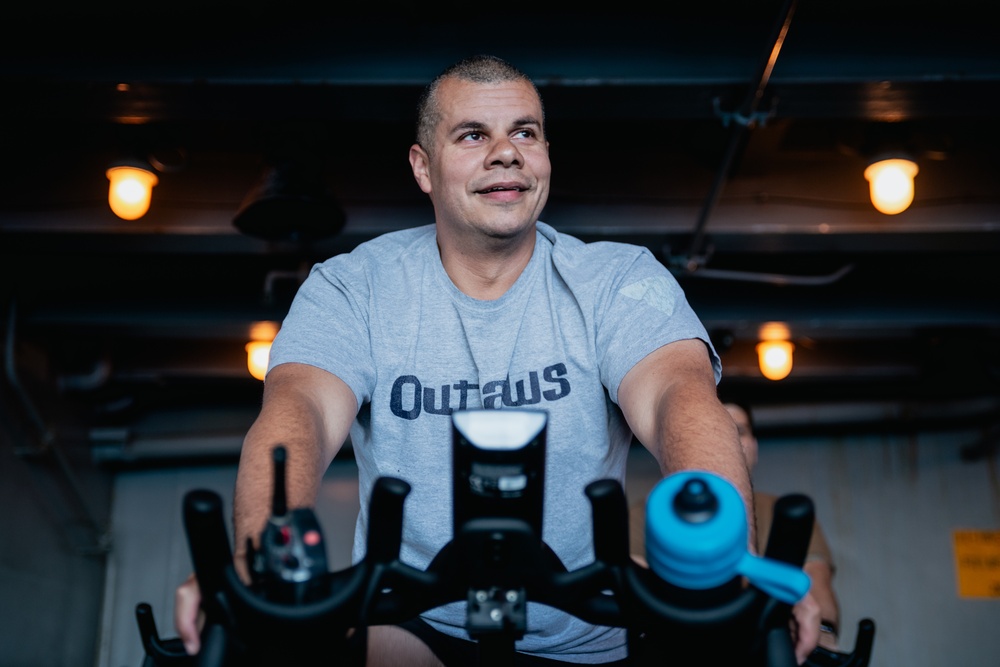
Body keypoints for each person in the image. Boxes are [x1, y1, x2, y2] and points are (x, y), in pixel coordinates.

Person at [174, 54, 820, 665]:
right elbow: (301, 412)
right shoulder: (353, 285)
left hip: (586, 626)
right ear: (424, 167)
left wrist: (732, 564)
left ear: (543, 155)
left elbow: (680, 399)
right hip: (413, 615)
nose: (505, 151)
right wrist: (255, 557)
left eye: (525, 132)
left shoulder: (617, 278)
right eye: (472, 135)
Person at [630, 401, 840, 652]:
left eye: (738, 431)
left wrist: (823, 634)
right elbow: (632, 577)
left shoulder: (780, 511)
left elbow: (815, 579)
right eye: (715, 430)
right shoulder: (650, 512)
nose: (726, 442)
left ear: (755, 447)